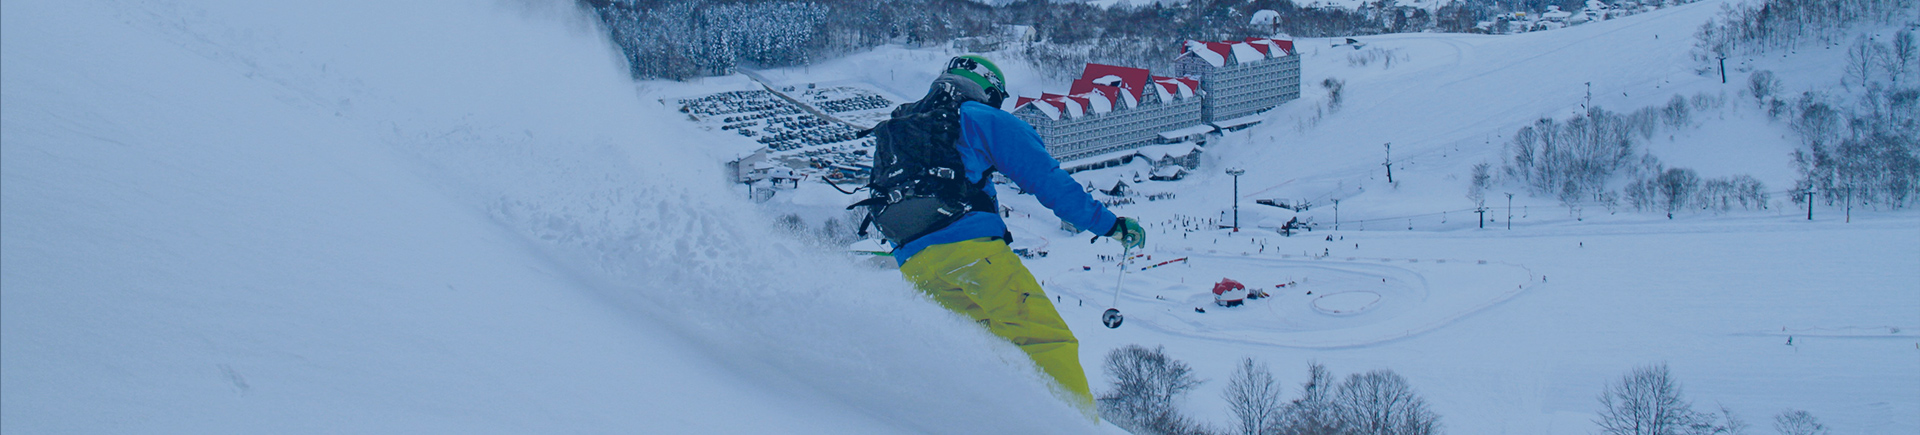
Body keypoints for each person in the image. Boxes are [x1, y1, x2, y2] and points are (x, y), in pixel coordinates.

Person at [854, 55, 1145, 418]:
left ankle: (997, 419)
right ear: (989, 92)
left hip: (914, 261)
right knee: (1046, 340)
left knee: (985, 348)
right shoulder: (980, 117)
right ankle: (1075, 425)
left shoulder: (906, 122)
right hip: (968, 252)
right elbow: (1047, 180)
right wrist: (1111, 225)